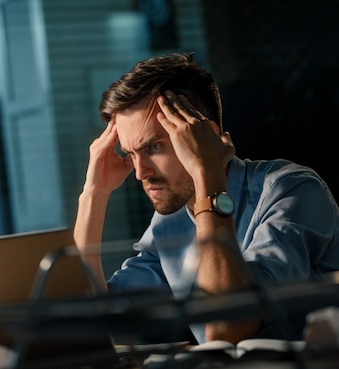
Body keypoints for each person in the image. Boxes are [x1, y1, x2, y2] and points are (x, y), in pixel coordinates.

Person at [73, 52, 339, 345]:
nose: (140, 173)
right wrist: (94, 195)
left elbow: (227, 329)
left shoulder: (291, 190)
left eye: (155, 147)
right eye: (131, 154)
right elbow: (97, 317)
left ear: (204, 137)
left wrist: (207, 172)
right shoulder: (170, 218)